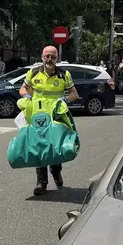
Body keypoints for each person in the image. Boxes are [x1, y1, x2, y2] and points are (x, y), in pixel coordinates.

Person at [19, 46, 79, 195]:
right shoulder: (33, 72)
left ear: (56, 58)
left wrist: (65, 99)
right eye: (47, 56)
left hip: (56, 116)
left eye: (52, 57)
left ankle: (56, 171)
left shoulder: (64, 74)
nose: (49, 59)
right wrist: (26, 96)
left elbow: (74, 94)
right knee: (39, 147)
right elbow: (23, 88)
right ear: (42, 57)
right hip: (37, 116)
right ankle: (41, 182)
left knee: (54, 147)